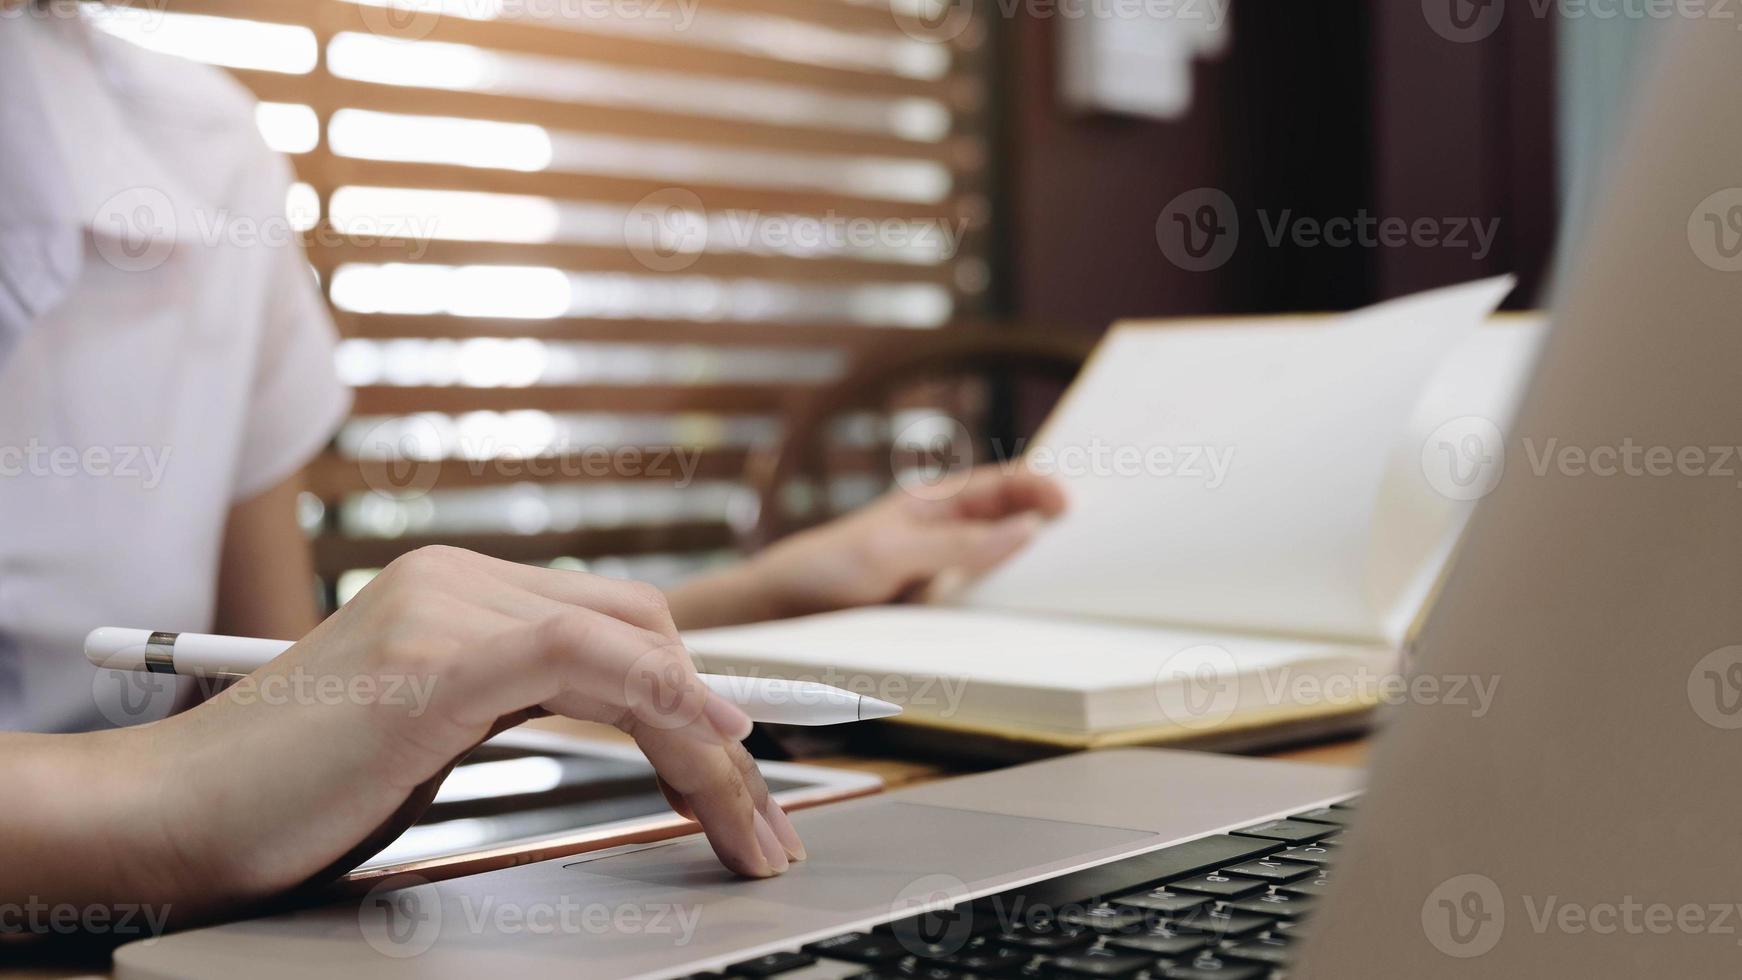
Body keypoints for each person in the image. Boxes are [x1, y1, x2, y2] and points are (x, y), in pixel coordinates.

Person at [0, 1, 1066, 934]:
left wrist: (763, 595)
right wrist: (162, 809)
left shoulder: (205, 153)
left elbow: (285, 693)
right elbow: (232, 765)